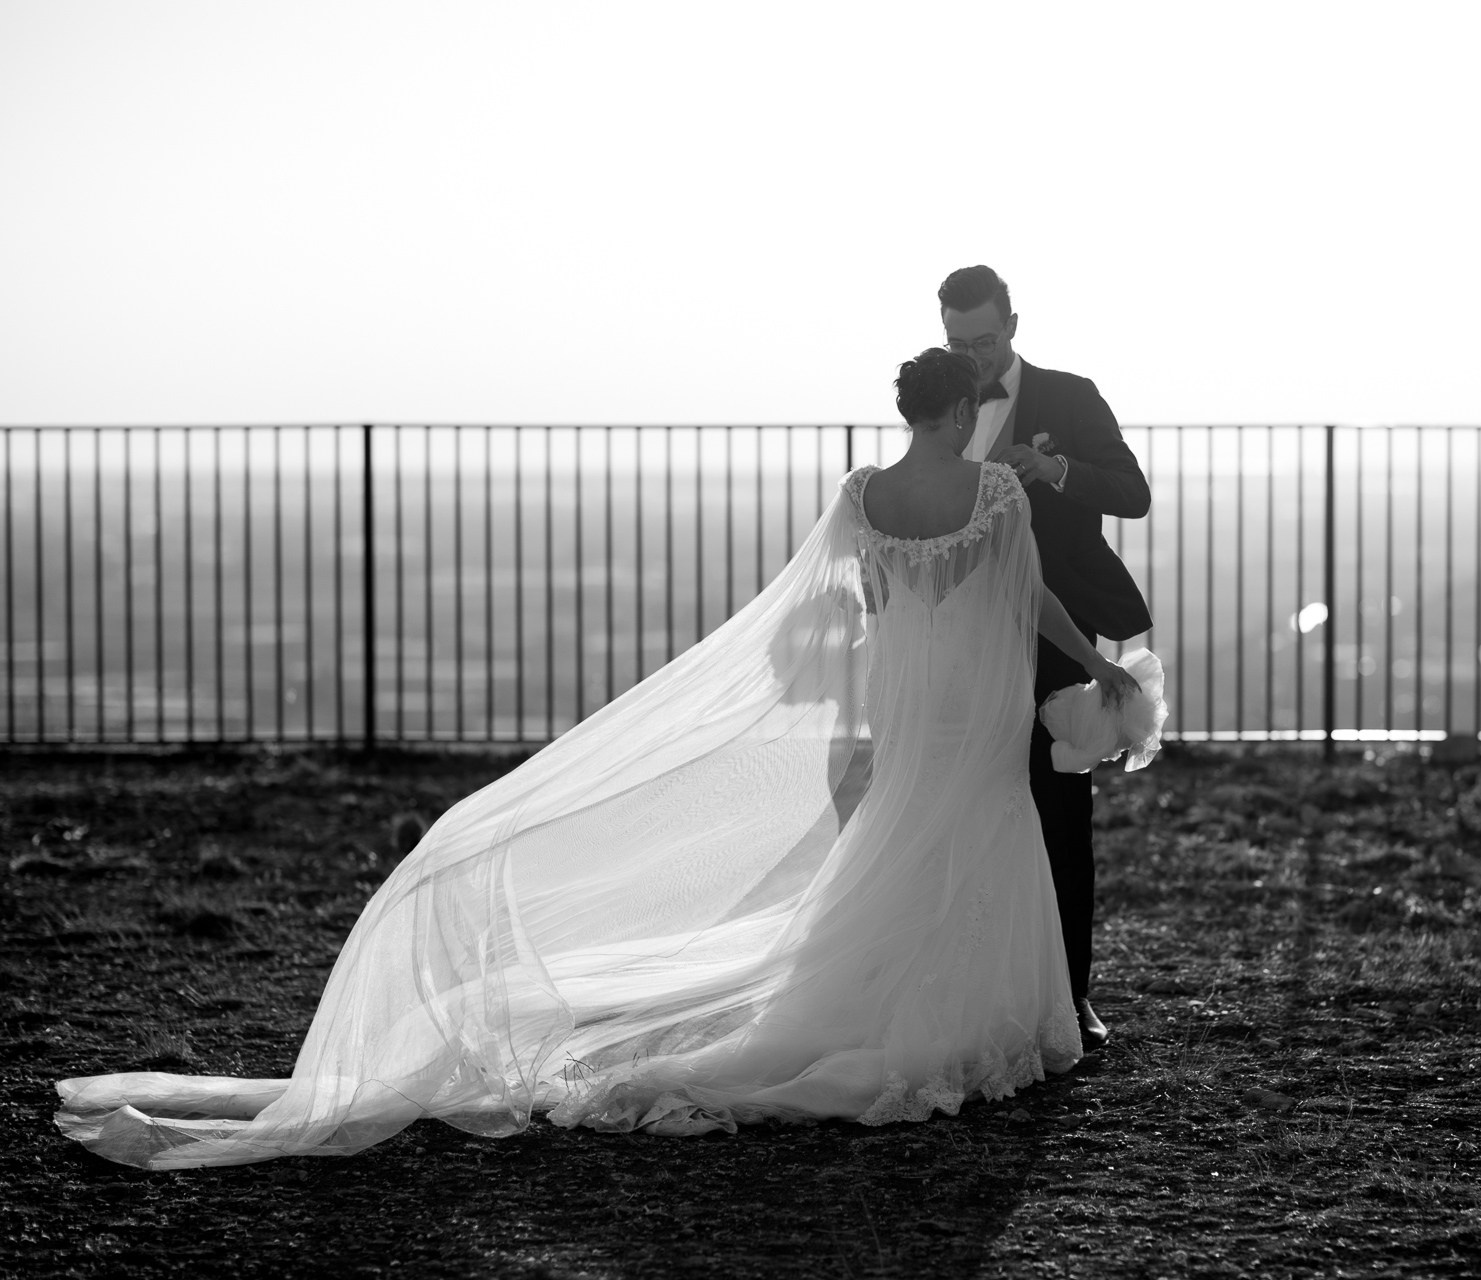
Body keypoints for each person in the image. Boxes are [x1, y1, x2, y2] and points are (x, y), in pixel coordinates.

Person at [54, 349, 1151, 1169]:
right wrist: (1095, 666)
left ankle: (894, 992)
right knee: (978, 827)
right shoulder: (995, 493)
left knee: (900, 828)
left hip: (906, 703)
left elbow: (863, 601)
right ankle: (972, 1012)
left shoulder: (863, 494)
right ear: (957, 411)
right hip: (972, 704)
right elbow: (1028, 601)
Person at [938, 265, 1153, 1050]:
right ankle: (978, 987)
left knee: (1061, 809)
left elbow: (1132, 492)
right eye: (957, 343)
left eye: (983, 341)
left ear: (1013, 326)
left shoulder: (1070, 397)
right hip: (965, 638)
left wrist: (1056, 470)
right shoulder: (942, 404)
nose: (971, 357)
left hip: (1056, 636)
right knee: (973, 807)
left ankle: (1070, 994)